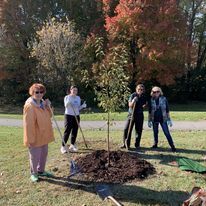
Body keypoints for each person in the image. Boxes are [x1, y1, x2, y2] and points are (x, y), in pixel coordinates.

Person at [23, 83, 54, 182]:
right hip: (35, 137)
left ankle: (41, 170)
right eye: (37, 92)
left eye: (41, 92)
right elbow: (28, 125)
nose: (39, 94)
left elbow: (49, 115)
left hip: (44, 135)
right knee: (34, 156)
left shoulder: (42, 103)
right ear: (32, 93)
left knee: (43, 154)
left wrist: (48, 106)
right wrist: (30, 139)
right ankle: (34, 173)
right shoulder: (30, 106)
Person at [148, 86, 176, 152]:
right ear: (152, 93)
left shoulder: (164, 99)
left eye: (158, 91)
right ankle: (155, 144)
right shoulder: (151, 100)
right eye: (154, 92)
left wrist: (169, 119)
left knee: (166, 133)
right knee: (155, 132)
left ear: (160, 92)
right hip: (154, 118)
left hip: (163, 119)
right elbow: (149, 111)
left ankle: (172, 146)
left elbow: (167, 109)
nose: (156, 93)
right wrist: (149, 120)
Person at [60, 86, 86, 154]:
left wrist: (82, 106)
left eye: (76, 90)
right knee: (67, 130)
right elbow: (65, 105)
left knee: (75, 130)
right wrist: (68, 103)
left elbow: (78, 108)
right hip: (68, 115)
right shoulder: (67, 97)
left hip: (76, 116)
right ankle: (63, 146)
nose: (75, 92)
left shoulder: (78, 98)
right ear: (70, 90)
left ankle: (72, 145)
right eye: (73, 90)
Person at [121, 84, 147, 149]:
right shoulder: (133, 95)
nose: (140, 90)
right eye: (138, 89)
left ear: (143, 90)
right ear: (136, 89)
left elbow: (145, 104)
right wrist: (133, 101)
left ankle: (137, 145)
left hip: (139, 115)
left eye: (141, 89)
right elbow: (130, 105)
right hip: (131, 115)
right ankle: (126, 144)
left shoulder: (144, 96)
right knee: (126, 129)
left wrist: (145, 105)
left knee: (138, 130)